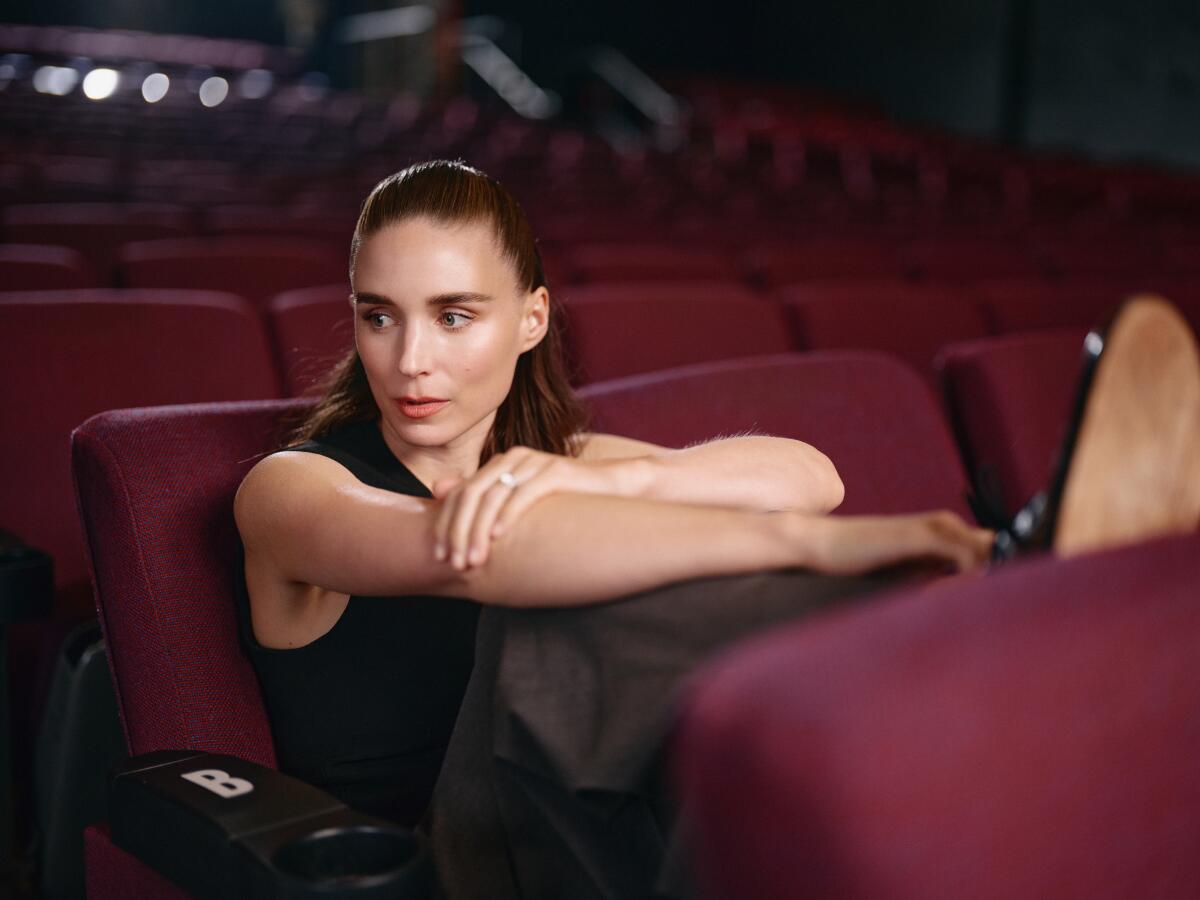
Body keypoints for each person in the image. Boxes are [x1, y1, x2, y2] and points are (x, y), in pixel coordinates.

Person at [231, 158, 994, 870]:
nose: (411, 360)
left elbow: (808, 476)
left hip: (599, 827)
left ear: (531, 321)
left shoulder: (551, 462)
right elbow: (480, 554)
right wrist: (816, 547)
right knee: (559, 609)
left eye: (454, 316)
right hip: (448, 864)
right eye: (381, 317)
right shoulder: (290, 490)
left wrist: (626, 481)